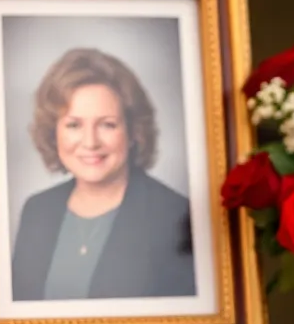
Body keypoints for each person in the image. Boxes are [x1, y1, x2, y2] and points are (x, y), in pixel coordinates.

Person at [11, 47, 196, 301]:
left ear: (133, 131)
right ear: (53, 132)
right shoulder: (37, 211)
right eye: (74, 124)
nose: (90, 142)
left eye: (107, 124)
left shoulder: (175, 215)